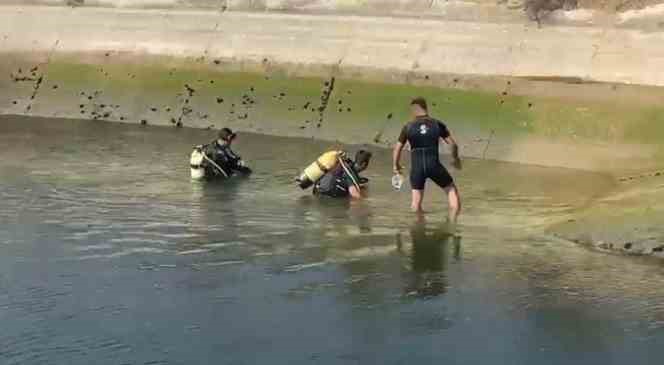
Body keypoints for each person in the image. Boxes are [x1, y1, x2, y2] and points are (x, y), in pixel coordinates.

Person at [392, 97, 462, 222]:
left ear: (413, 110)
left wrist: (396, 166)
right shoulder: (437, 124)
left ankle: (418, 230)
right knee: (451, 190)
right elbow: (453, 145)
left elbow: (397, 149)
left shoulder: (408, 127)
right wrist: (455, 160)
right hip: (434, 165)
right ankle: (453, 224)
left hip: (417, 168)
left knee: (416, 203)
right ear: (426, 108)